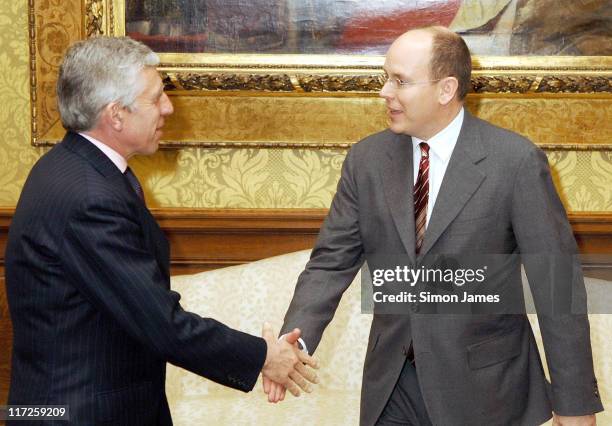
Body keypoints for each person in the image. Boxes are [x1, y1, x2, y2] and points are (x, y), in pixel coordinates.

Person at [266, 26, 603, 425]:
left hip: (486, 389)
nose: (384, 92)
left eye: (400, 81)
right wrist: (294, 341)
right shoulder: (367, 161)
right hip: (392, 384)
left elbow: (556, 285)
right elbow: (330, 263)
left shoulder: (514, 162)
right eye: (385, 77)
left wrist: (575, 404)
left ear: (445, 89)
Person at [4, 36, 318, 425]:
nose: (168, 108)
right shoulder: (88, 196)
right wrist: (264, 356)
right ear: (116, 114)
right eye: (156, 98)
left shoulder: (68, 167)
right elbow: (160, 323)